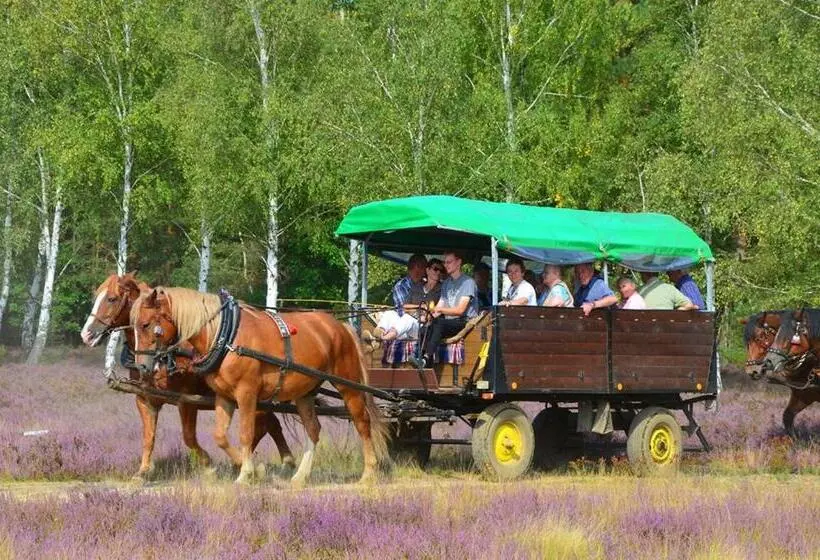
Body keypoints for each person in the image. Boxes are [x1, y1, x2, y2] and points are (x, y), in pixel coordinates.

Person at [410, 250, 478, 369]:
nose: (445, 265)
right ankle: (420, 360)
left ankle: (426, 359)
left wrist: (439, 310)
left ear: (458, 263)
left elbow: (460, 310)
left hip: (464, 322)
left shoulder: (468, 282)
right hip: (448, 322)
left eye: (449, 262)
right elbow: (439, 306)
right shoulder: (446, 283)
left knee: (439, 323)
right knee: (426, 327)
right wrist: (429, 316)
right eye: (445, 262)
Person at [364, 259, 444, 349]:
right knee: (390, 313)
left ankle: (383, 339)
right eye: (436, 269)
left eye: (441, 270)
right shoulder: (417, 286)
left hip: (423, 328)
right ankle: (378, 335)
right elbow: (405, 307)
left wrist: (414, 311)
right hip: (407, 325)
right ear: (428, 270)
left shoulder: (441, 290)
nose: (438, 272)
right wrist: (421, 307)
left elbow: (432, 312)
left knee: (407, 318)